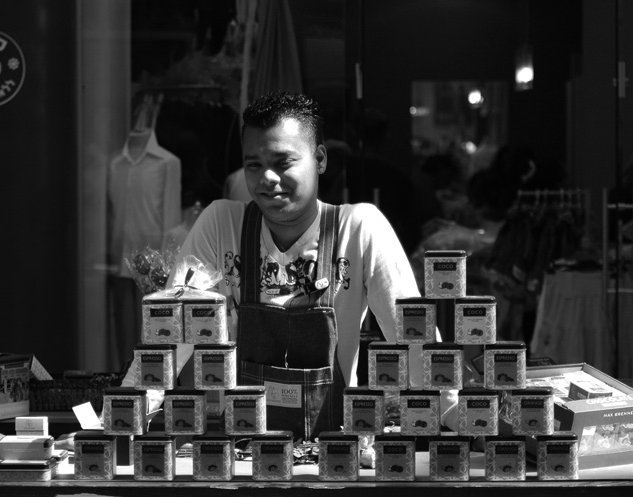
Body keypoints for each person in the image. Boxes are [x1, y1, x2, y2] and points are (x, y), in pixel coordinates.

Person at [125, 91, 457, 441]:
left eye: (283, 162)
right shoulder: (221, 225)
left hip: (334, 454)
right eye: (253, 164)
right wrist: (119, 418)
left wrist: (465, 419)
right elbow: (168, 340)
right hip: (238, 453)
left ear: (320, 159)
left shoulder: (359, 229)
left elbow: (418, 344)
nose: (267, 178)